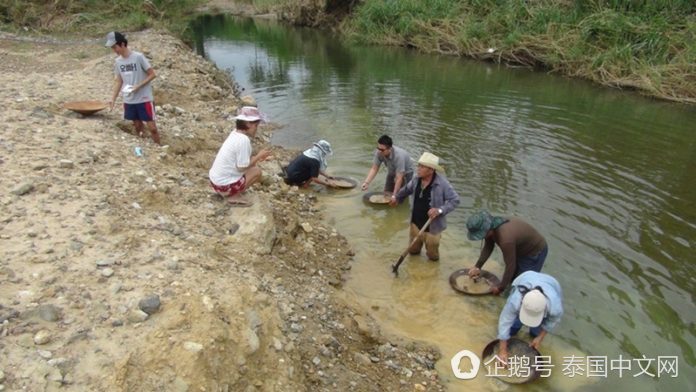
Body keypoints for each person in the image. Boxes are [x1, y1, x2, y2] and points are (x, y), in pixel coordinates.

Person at [389, 152, 460, 261]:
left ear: (431, 170)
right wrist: (397, 198)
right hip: (415, 224)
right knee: (413, 252)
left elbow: (455, 200)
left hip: (432, 228)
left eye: (422, 167)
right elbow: (406, 190)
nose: (418, 169)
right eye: (419, 166)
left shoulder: (442, 184)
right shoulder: (416, 179)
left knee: (432, 257)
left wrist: (440, 210)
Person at [466, 210, 548, 295]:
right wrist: (477, 267)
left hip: (534, 251)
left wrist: (500, 288)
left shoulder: (506, 240)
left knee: (523, 286)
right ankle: (509, 289)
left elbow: (510, 266)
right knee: (512, 280)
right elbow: (488, 246)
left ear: (487, 229)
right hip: (519, 248)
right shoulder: (492, 226)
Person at [209, 106, 272, 206]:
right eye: (256, 126)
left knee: (253, 168)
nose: (256, 129)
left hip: (215, 183)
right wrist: (258, 156)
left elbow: (242, 161)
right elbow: (241, 167)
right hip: (223, 186)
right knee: (257, 172)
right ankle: (233, 196)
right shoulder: (243, 140)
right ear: (248, 124)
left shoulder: (234, 133)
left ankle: (232, 192)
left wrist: (256, 158)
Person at [496, 271, 563, 364]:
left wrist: (540, 338)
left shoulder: (554, 307)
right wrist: (502, 350)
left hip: (552, 284)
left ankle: (534, 335)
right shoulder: (515, 300)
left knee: (536, 333)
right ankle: (514, 329)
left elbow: (552, 321)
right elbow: (505, 321)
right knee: (512, 328)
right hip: (527, 277)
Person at [106, 31, 161, 145]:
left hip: (144, 98)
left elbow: (152, 74)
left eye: (115, 47)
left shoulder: (138, 57)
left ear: (122, 44)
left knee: (152, 128)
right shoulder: (118, 62)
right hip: (129, 99)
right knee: (137, 126)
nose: (114, 50)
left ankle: (158, 146)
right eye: (112, 48)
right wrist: (113, 99)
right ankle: (144, 146)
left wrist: (138, 86)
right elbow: (119, 80)